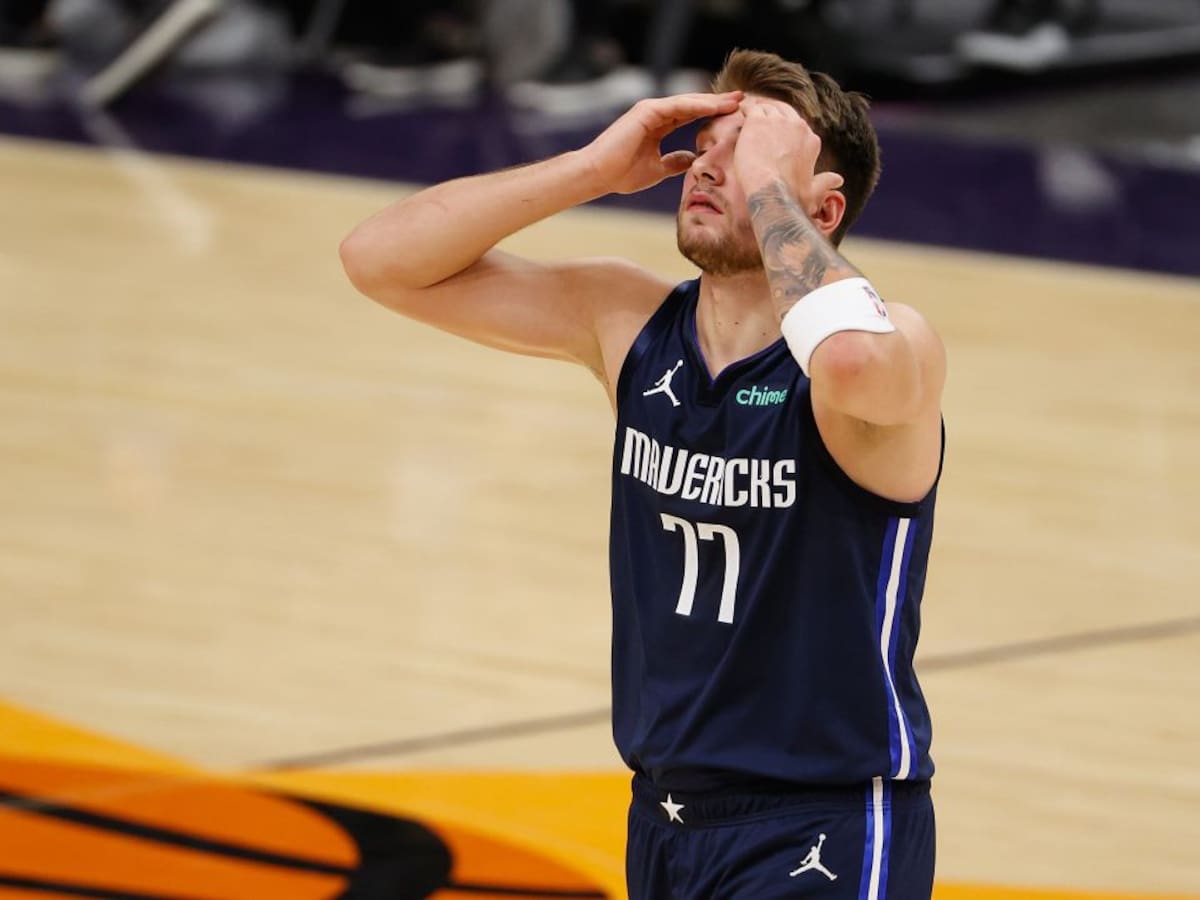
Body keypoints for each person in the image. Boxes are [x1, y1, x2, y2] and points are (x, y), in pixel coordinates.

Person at [340, 48, 945, 900]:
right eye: (709, 143)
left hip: (826, 821)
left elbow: (845, 360)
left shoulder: (895, 342)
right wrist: (589, 169)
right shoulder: (628, 319)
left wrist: (771, 190)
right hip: (664, 818)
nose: (709, 164)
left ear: (823, 206)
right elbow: (378, 259)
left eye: (748, 152)